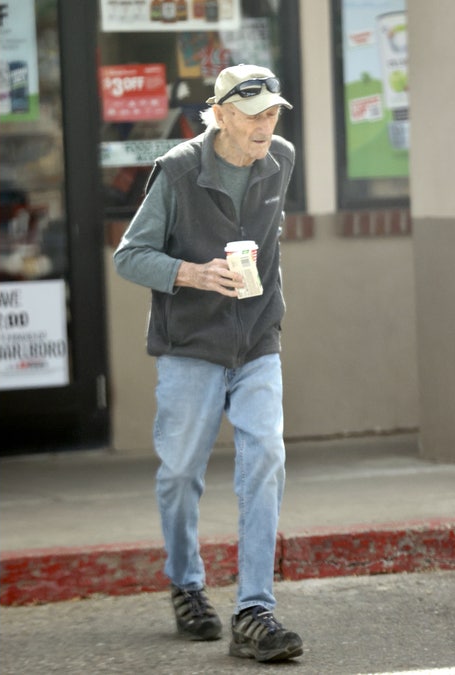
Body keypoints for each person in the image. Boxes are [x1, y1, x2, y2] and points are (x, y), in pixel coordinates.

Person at [113, 64, 303, 663]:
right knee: (178, 474)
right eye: (251, 116)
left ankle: (254, 610)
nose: (264, 127)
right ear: (219, 114)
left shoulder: (282, 159)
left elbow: (269, 237)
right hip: (189, 344)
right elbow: (130, 256)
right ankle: (187, 583)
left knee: (265, 459)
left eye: (271, 114)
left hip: (256, 343)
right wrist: (192, 274)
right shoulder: (176, 171)